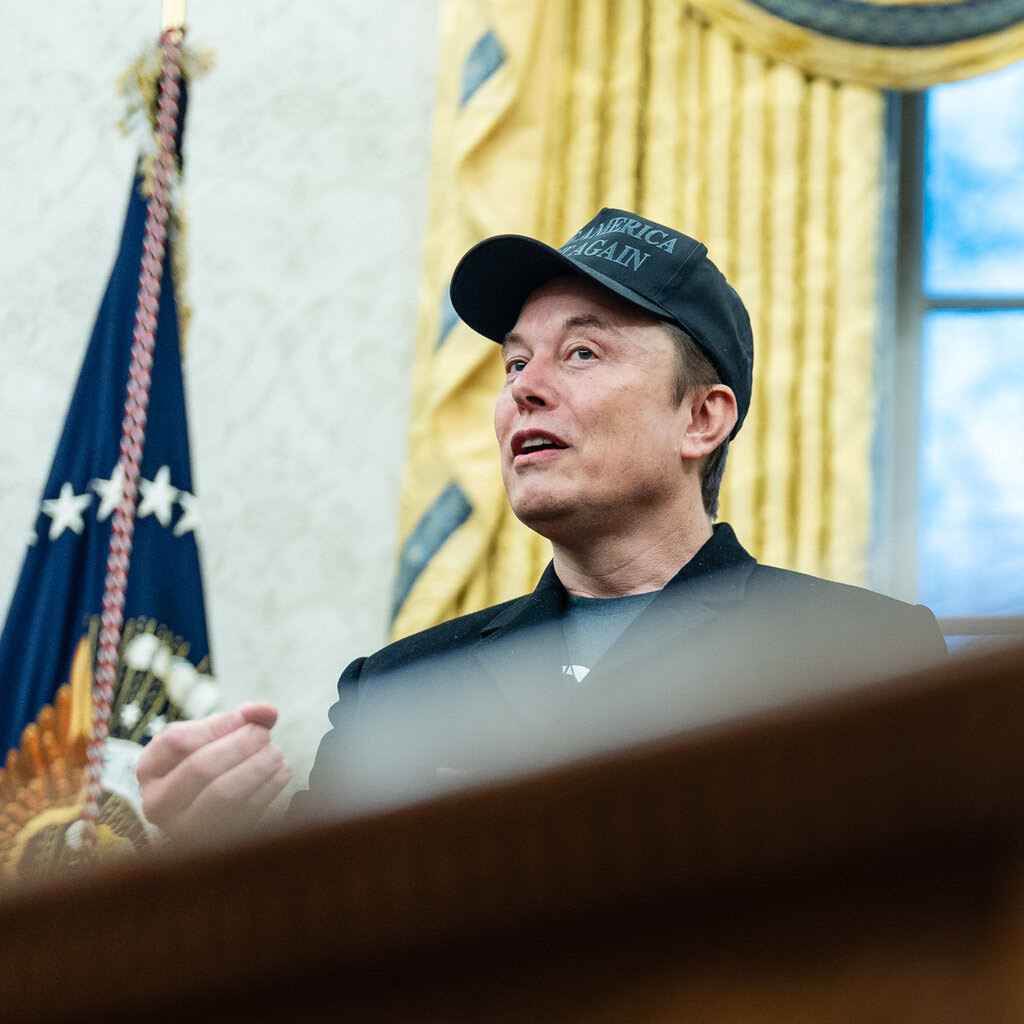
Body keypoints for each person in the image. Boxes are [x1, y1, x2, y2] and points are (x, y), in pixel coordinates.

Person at [137, 208, 947, 842]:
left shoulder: (863, 658)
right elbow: (320, 954)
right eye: (515, 362)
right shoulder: (394, 693)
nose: (525, 388)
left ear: (702, 418)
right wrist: (222, 839)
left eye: (582, 354)